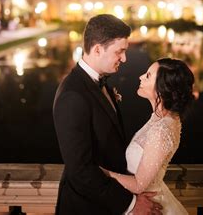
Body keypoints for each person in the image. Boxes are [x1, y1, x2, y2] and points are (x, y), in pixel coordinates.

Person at [53, 14, 162, 215]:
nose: (125, 58)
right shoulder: (72, 95)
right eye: (119, 51)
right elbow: (80, 171)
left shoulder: (98, 82)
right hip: (87, 208)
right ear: (97, 49)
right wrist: (130, 203)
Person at [101, 58, 195, 215]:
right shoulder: (160, 118)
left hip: (149, 206)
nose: (140, 77)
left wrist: (102, 172)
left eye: (148, 76)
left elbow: (139, 184)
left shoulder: (162, 130)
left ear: (162, 88)